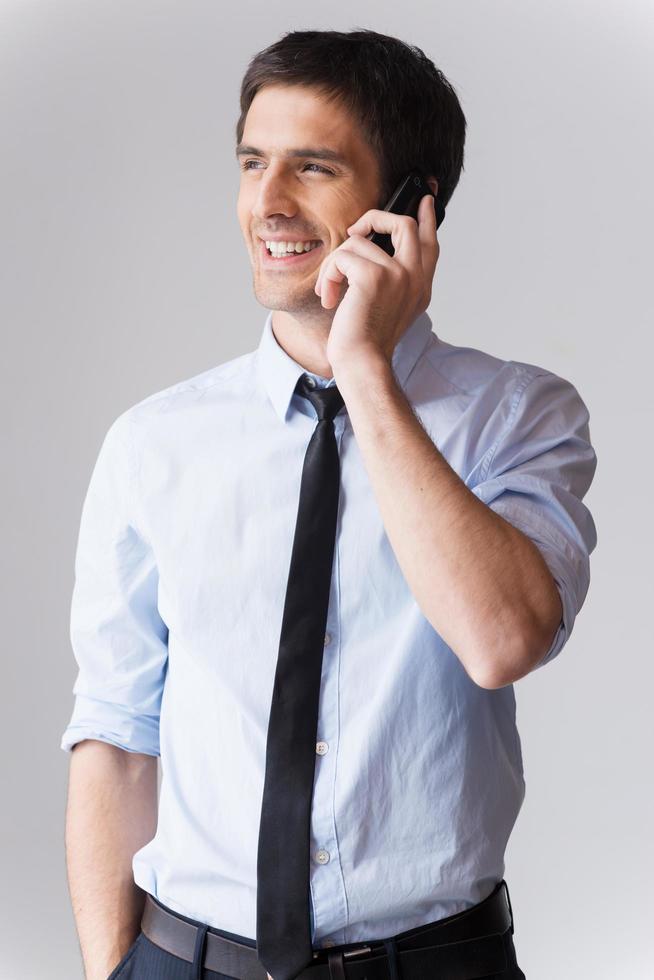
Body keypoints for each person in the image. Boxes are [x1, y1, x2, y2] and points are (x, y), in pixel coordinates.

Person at [61, 28, 597, 980]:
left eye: (312, 168)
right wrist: (114, 969)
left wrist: (365, 368)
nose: (267, 204)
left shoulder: (519, 416)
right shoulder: (155, 443)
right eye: (253, 163)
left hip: (435, 965)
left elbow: (502, 637)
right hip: (183, 962)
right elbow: (117, 735)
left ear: (407, 209)